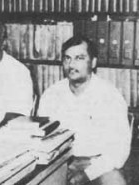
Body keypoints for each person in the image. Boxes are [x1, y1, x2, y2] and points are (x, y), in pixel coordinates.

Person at [38, 35, 131, 185]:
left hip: (98, 166)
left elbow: (119, 152)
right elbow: (41, 141)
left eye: (79, 58)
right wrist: (61, 165)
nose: (71, 64)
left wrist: (86, 175)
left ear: (93, 62)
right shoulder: (51, 95)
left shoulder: (110, 96)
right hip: (60, 164)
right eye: (67, 58)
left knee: (115, 181)